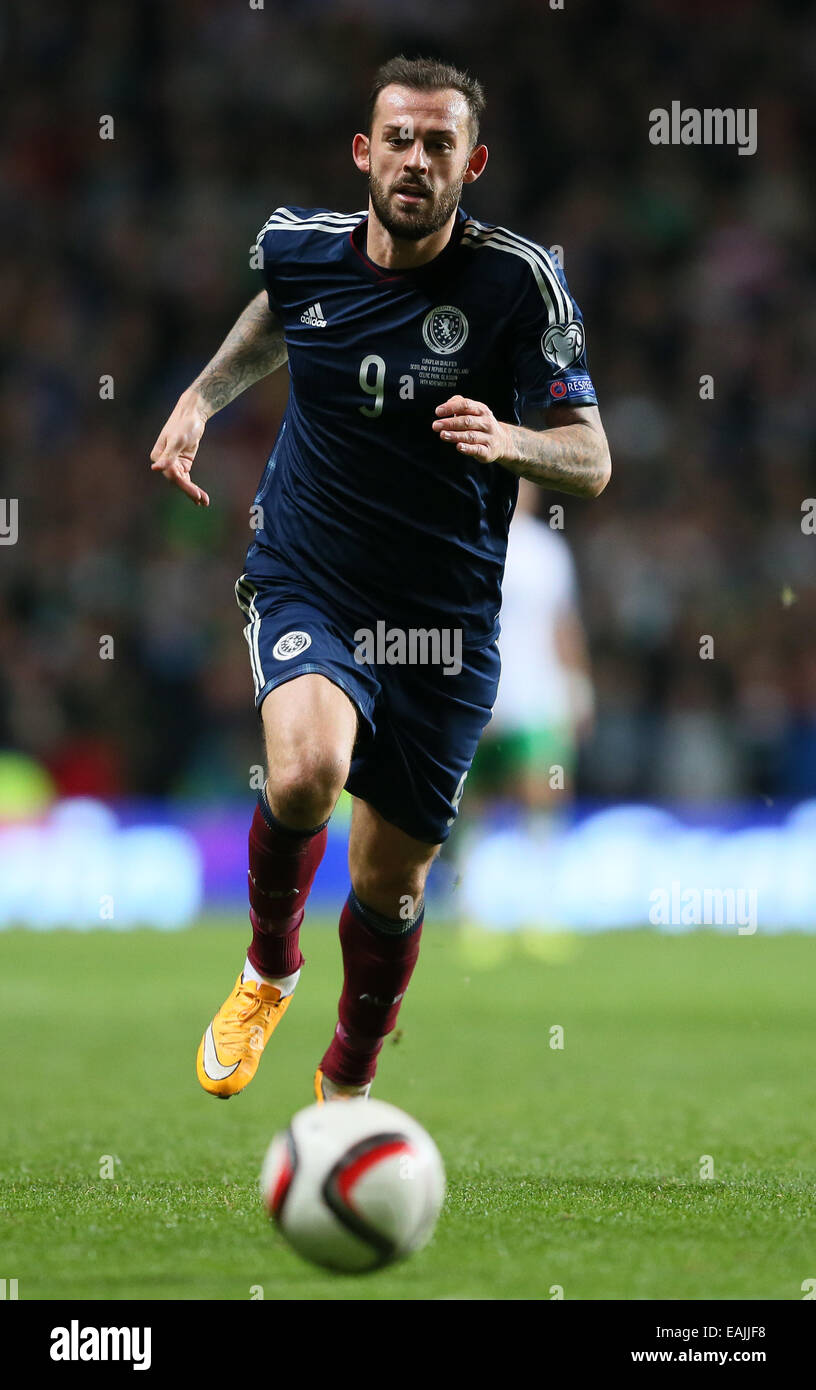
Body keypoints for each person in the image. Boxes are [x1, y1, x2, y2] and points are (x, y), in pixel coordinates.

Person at [149, 55, 610, 1104]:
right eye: (397, 138)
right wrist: (200, 398)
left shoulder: (517, 281)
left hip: (445, 624)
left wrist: (510, 437)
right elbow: (280, 312)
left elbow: (593, 457)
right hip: (312, 572)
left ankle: (348, 1079)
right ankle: (269, 965)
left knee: (388, 885)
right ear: (365, 151)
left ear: (472, 164)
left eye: (438, 145)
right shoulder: (301, 249)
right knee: (305, 772)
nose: (414, 159)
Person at [467, 479, 595, 813]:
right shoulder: (469, 541)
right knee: (466, 805)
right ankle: (462, 864)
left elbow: (563, 625)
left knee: (541, 796)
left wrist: (579, 689)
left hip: (536, 700)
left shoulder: (547, 550)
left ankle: (540, 858)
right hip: (480, 699)